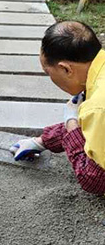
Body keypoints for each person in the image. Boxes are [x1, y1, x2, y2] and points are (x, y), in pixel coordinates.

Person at [10, 21, 105, 195]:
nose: (50, 78)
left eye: (48, 72)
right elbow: (96, 128)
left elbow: (94, 180)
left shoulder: (98, 107)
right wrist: (41, 141)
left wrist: (71, 124)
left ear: (66, 69)